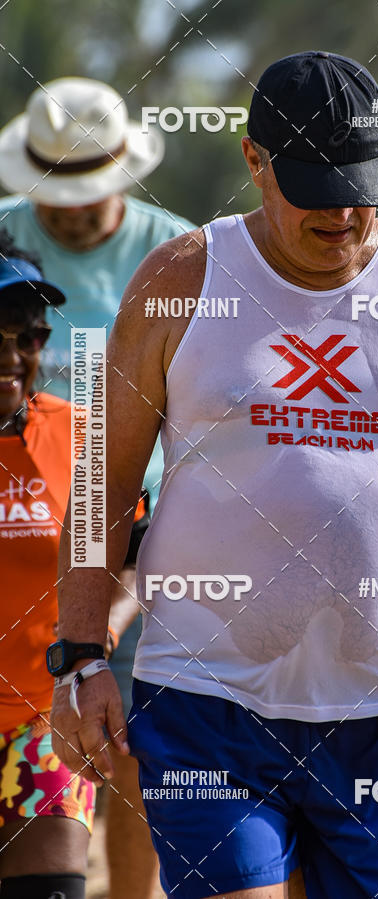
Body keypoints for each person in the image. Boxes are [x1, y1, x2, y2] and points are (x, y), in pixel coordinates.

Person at [50, 51, 378, 899]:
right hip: (204, 698)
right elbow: (102, 478)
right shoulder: (179, 281)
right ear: (255, 162)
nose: (343, 211)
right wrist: (80, 657)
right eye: (314, 185)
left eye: (361, 183)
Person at [0, 77, 196, 899]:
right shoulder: (7, 240)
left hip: (157, 528)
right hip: (32, 528)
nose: (70, 211)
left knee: (138, 749)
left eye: (87, 192)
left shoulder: (179, 255)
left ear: (122, 173)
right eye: (55, 192)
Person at [0, 231, 142, 899]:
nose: (11, 356)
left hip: (40, 717)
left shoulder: (83, 433)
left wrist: (91, 644)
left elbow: (139, 564)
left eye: (27, 337)